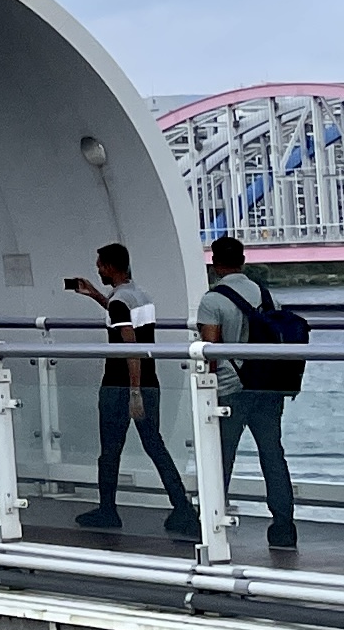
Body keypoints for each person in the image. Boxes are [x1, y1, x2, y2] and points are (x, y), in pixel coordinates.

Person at [62, 241, 197, 538]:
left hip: (120, 385)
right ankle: (183, 507)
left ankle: (107, 510)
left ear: (111, 267)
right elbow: (125, 320)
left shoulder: (120, 302)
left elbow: (129, 346)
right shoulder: (140, 296)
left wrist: (133, 392)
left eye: (100, 266)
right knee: (155, 445)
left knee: (110, 450)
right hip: (150, 380)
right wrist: (97, 296)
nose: (98, 270)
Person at [195, 235, 299, 550]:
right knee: (273, 453)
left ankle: (212, 521)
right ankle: (284, 524)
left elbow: (209, 350)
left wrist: (207, 390)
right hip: (268, 386)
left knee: (221, 457)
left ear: (215, 263)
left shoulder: (212, 300)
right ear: (243, 260)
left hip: (231, 388)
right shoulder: (267, 296)